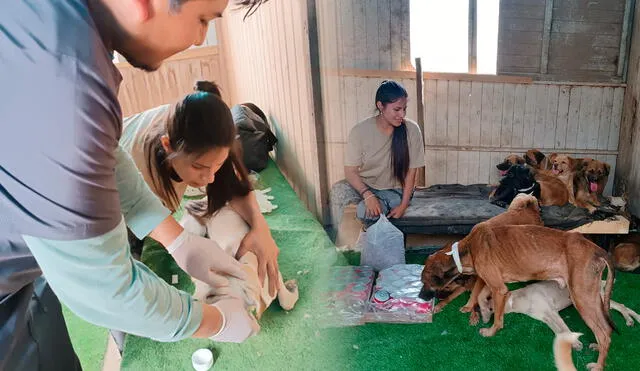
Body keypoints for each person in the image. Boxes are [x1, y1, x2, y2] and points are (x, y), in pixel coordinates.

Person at [0, 1, 271, 370]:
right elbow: (106, 291)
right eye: (202, 19)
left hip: (24, 267)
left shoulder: (68, 30)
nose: (197, 38)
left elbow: (106, 155)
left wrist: (178, 240)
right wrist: (215, 321)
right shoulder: (64, 80)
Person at [121, 80, 281, 296]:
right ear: (168, 146)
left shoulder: (210, 137)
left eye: (218, 165)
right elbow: (141, 217)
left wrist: (260, 228)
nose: (210, 177)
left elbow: (234, 186)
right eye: (198, 167)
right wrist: (181, 244)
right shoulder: (136, 171)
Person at [344, 80, 425, 227]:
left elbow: (412, 174)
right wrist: (368, 194)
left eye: (404, 109)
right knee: (337, 193)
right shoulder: (359, 131)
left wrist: (403, 206)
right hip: (367, 185)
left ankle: (369, 238)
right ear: (380, 106)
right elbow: (350, 172)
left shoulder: (412, 130)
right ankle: (334, 244)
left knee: (365, 212)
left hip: (396, 189)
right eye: (397, 109)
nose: (402, 114)